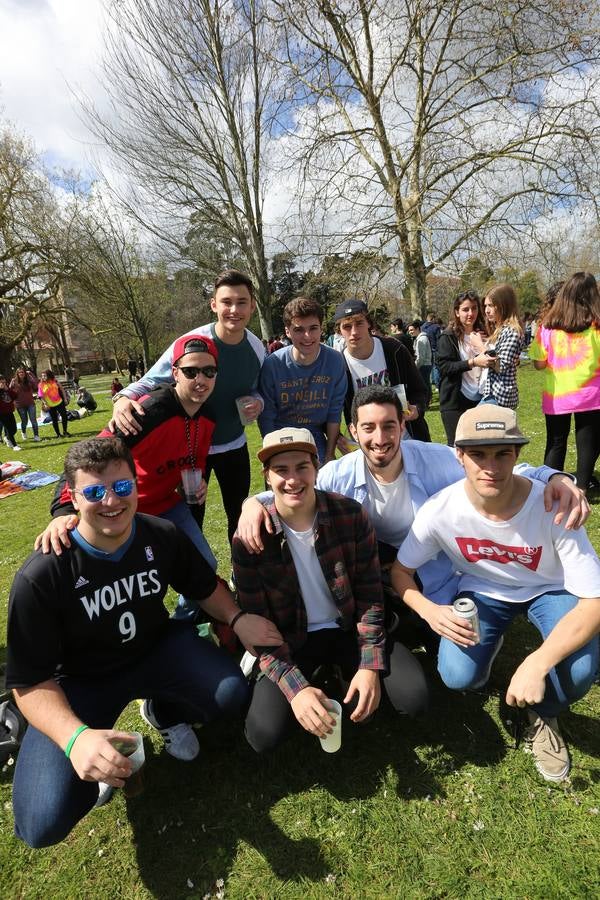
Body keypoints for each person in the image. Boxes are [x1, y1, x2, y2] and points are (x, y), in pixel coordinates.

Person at [6, 436, 281, 848]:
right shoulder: (43, 573)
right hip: (79, 683)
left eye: (121, 487)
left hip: (155, 651)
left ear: (136, 485)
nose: (111, 501)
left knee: (229, 694)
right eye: (95, 492)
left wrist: (238, 618)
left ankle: (162, 708)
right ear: (73, 498)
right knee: (40, 821)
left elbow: (204, 586)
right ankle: (97, 758)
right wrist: (75, 738)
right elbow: (27, 681)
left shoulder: (160, 533)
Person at [237, 386, 588, 611]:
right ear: (354, 431)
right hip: (373, 561)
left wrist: (554, 476)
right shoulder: (338, 473)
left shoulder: (436, 460)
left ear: (402, 428)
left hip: (429, 565)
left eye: (389, 426)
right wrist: (252, 503)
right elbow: (295, 486)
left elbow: (495, 466)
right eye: (369, 428)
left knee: (445, 638)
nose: (380, 438)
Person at [392, 406, 600, 783]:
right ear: (459, 456)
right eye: (478, 454)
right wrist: (427, 610)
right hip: (483, 591)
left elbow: (595, 602)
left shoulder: (554, 504)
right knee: (458, 677)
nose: (491, 466)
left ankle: (543, 713)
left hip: (549, 589)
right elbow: (400, 571)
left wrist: (538, 663)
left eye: (503, 453)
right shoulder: (441, 511)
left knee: (580, 670)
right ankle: (491, 651)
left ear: (518, 454)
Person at [232, 427, 427, 754]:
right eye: (281, 470)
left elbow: (370, 598)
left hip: (347, 629)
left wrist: (368, 665)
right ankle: (320, 682)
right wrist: (297, 691)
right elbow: (259, 626)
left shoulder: (349, 515)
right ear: (267, 477)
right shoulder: (250, 539)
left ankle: (346, 672)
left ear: (316, 469)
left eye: (301, 468)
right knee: (263, 736)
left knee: (415, 699)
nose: (292, 480)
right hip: (291, 640)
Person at [36, 335, 221, 577]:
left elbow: (192, 462)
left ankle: (185, 616)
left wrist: (200, 483)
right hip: (126, 508)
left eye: (209, 371)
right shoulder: (147, 412)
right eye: (191, 372)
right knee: (130, 578)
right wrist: (63, 511)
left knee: (204, 566)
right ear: (175, 373)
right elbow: (85, 459)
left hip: (168, 505)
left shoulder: (208, 417)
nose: (201, 380)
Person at [110, 270, 264, 546]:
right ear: (213, 304)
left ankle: (240, 577)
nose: (234, 310)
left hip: (234, 445)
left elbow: (256, 388)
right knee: (192, 518)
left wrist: (258, 401)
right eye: (226, 302)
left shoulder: (256, 348)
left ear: (253, 305)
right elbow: (151, 379)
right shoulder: (193, 342)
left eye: (242, 302)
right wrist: (121, 399)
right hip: (192, 451)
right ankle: (194, 581)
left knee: (238, 515)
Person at [529, 272, 600, 493]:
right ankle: (581, 490)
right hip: (590, 395)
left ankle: (550, 487)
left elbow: (539, 364)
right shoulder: (597, 327)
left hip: (557, 395)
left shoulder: (547, 327)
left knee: (556, 441)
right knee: (586, 443)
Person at [258, 297, 346, 464]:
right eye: (299, 330)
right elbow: (266, 416)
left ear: (321, 329)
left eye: (313, 328)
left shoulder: (335, 361)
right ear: (287, 332)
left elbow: (335, 412)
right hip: (281, 437)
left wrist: (329, 454)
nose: (307, 336)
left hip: (316, 438)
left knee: (319, 487)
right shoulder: (273, 365)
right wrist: (270, 456)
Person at [333, 300, 430, 442]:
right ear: (339, 331)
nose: (354, 332)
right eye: (347, 326)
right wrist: (339, 438)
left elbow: (420, 390)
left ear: (368, 323)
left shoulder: (394, 349)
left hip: (409, 438)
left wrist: (417, 409)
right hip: (372, 446)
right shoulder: (339, 365)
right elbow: (332, 411)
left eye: (359, 323)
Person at [437, 291, 496, 446]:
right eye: (465, 309)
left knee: (479, 445)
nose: (471, 313)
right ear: (457, 312)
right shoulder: (448, 336)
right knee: (458, 446)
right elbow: (444, 367)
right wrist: (473, 362)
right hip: (455, 402)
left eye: (475, 308)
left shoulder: (484, 334)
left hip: (481, 398)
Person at [480, 284, 523, 408]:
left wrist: (480, 347)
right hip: (491, 393)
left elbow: (501, 366)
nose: (487, 310)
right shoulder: (499, 329)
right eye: (485, 306)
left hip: (500, 395)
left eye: (491, 305)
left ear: (504, 305)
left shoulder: (512, 331)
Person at [10, 366, 40, 442]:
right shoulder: (14, 381)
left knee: (33, 420)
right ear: (17, 374)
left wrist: (31, 374)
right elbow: (9, 391)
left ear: (25, 373)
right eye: (19, 372)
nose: (21, 373)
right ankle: (23, 432)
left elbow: (36, 386)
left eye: (22, 372)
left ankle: (36, 435)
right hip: (20, 405)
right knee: (24, 421)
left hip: (30, 403)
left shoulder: (29, 380)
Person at [38, 370, 70, 438]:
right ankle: (58, 434)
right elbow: (41, 396)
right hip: (50, 405)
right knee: (54, 419)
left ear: (49, 375)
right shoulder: (41, 385)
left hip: (59, 402)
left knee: (64, 416)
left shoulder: (55, 381)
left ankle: (65, 431)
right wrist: (45, 404)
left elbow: (62, 390)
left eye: (45, 375)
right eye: (42, 376)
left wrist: (65, 399)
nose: (43, 377)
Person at [408, 320, 432, 408]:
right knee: (426, 384)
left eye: (412, 330)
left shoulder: (421, 339)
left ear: (418, 329)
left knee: (424, 385)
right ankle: (427, 402)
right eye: (409, 330)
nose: (410, 332)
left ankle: (426, 403)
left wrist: (415, 367)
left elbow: (420, 358)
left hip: (424, 365)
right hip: (426, 364)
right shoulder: (421, 338)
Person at [421, 312, 442, 389]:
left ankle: (432, 381)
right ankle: (437, 384)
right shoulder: (436, 327)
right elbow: (439, 338)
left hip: (426, 348)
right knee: (436, 366)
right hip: (434, 348)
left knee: (429, 366)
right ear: (432, 319)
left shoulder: (422, 327)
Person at [0, 375, 21, 451]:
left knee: (14, 429)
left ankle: (7, 438)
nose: (3, 384)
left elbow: (15, 396)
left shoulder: (7, 390)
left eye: (4, 382)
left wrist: (7, 389)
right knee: (8, 429)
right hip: (1, 414)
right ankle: (14, 446)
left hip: (10, 412)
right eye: (1, 382)